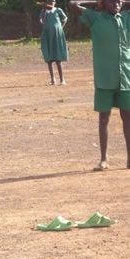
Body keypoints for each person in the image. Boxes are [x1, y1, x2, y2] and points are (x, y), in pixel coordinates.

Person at [70, 0, 130, 170]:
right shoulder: (95, 18)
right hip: (105, 78)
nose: (117, 3)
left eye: (119, 1)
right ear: (103, 3)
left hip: (125, 76)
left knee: (128, 118)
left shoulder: (126, 18)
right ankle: (103, 159)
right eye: (113, 1)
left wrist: (121, 2)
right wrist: (98, 2)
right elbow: (73, 4)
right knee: (104, 118)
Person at [40, 0, 68, 85]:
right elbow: (43, 21)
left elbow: (65, 18)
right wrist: (44, 10)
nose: (52, 2)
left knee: (58, 58)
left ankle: (62, 79)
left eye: (53, 1)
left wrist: (60, 28)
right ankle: (52, 79)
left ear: (55, 3)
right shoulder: (44, 11)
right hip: (47, 35)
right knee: (49, 59)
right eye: (50, 1)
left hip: (57, 35)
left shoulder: (58, 10)